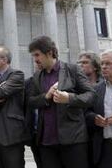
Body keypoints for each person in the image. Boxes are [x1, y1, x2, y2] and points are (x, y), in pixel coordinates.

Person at [27, 35, 95, 168]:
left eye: (37, 55)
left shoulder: (73, 70)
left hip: (73, 140)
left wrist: (69, 98)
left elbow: (91, 95)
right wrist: (46, 97)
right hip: (46, 142)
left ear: (50, 53)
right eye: (33, 56)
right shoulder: (36, 76)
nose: (35, 60)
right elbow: (31, 101)